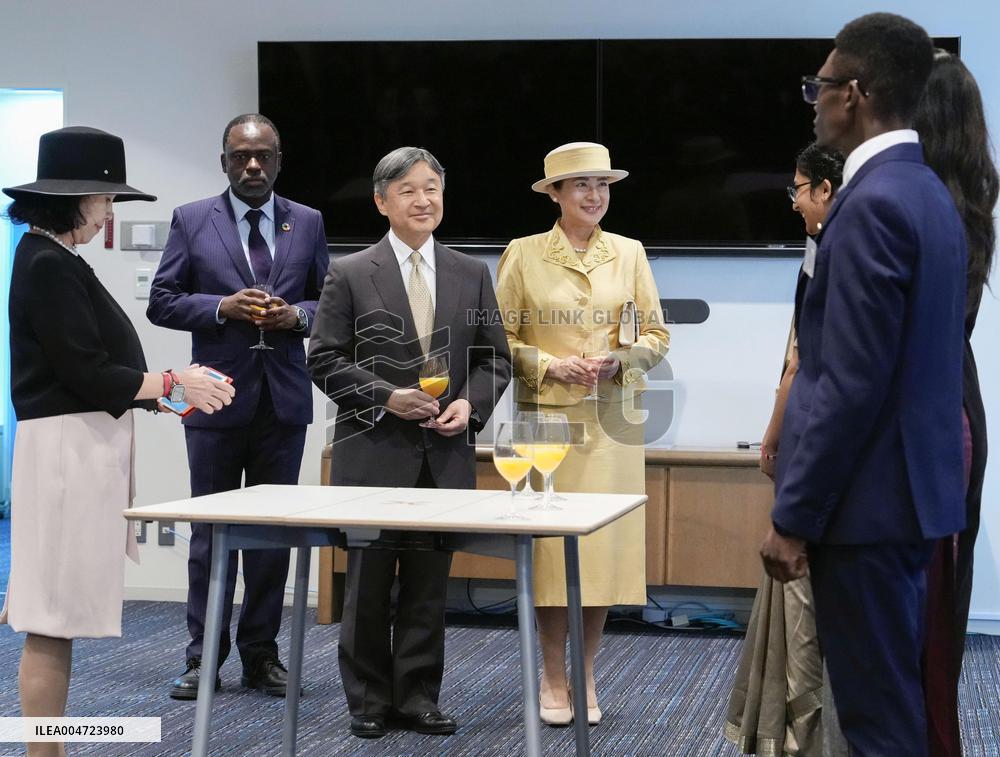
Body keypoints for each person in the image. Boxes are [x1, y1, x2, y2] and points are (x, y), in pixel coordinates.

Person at [760, 14, 967, 757]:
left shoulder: (871, 204)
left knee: (877, 719)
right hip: (912, 496)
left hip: (868, 505)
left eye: (819, 86)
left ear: (854, 93)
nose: (812, 101)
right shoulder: (927, 192)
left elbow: (849, 382)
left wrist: (795, 515)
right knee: (894, 702)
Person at [0, 126, 234, 757]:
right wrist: (171, 382)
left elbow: (96, 373)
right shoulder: (46, 262)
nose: (109, 214)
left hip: (80, 451)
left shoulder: (53, 258)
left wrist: (174, 393)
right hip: (66, 458)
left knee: (60, 617)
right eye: (105, 201)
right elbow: (84, 370)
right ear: (72, 198)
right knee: (51, 619)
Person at [307, 147, 511, 739]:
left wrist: (470, 404)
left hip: (443, 456)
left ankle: (418, 696)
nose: (423, 201)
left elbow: (494, 359)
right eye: (408, 191)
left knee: (427, 587)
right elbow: (321, 359)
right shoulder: (349, 272)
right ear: (381, 201)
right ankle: (367, 698)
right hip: (372, 453)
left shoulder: (472, 272)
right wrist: (385, 397)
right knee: (367, 585)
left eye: (433, 190)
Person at [147, 113, 330, 700]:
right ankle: (202, 658)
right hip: (213, 398)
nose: (253, 166)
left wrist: (295, 317)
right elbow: (162, 301)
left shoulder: (308, 222)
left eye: (264, 156)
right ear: (223, 160)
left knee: (272, 537)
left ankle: (261, 655)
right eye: (240, 156)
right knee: (210, 534)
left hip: (282, 402)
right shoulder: (191, 219)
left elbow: (328, 302)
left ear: (279, 160)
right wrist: (222, 308)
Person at [495, 142, 669, 725]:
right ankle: (551, 676)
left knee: (600, 554)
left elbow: (657, 336)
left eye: (603, 184)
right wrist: (549, 366)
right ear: (555, 195)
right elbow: (502, 341)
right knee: (550, 553)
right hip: (547, 422)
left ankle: (586, 673)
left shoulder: (631, 252)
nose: (595, 196)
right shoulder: (522, 255)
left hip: (614, 422)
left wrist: (623, 361)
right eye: (581, 186)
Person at [724, 143, 846, 756]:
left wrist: (773, 435)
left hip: (812, 436)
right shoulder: (821, 244)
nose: (794, 200)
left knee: (804, 589)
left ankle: (802, 733)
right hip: (803, 432)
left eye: (799, 188)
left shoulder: (833, 249)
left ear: (825, 190)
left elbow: (801, 365)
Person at [915, 49, 998, 757]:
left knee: (926, 610)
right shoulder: (971, 198)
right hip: (958, 406)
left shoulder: (923, 205)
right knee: (939, 607)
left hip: (936, 417)